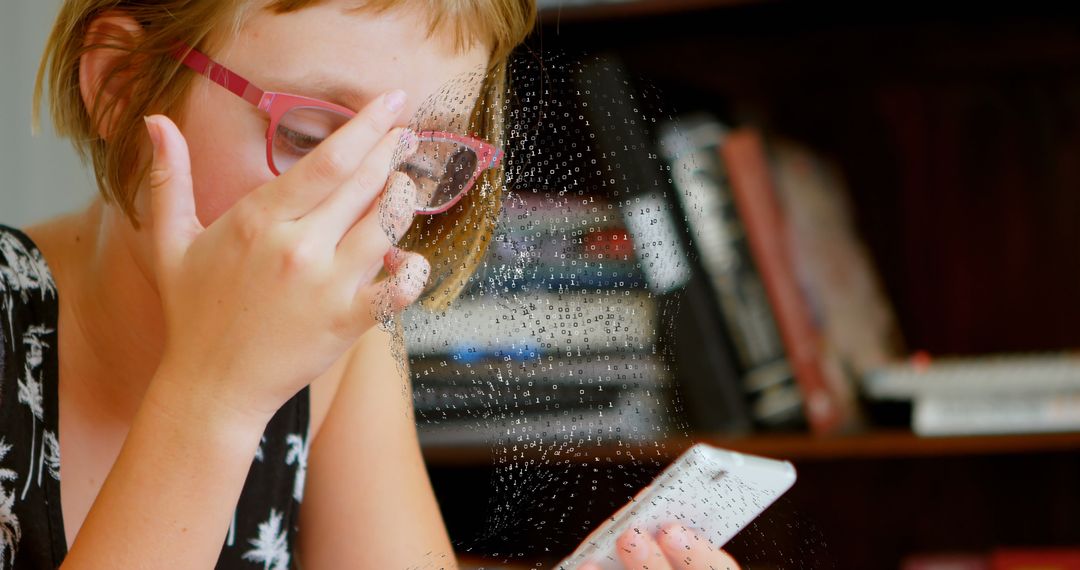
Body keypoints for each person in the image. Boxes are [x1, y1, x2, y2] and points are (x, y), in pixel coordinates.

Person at [0, 0, 742, 568]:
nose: (378, 212)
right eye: (312, 138)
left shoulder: (341, 355)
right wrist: (216, 393)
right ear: (122, 86)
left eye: (420, 162)